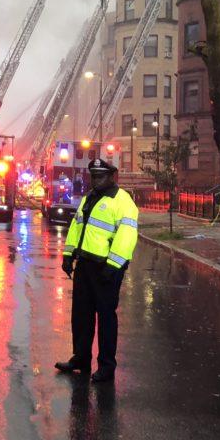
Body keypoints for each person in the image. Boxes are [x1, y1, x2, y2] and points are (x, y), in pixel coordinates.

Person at [55, 158, 139, 382]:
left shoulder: (123, 201)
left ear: (112, 176)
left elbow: (127, 236)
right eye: (93, 176)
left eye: (100, 176)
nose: (95, 180)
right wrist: (68, 254)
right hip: (85, 265)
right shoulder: (89, 198)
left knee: (106, 318)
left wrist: (112, 266)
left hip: (106, 268)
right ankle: (81, 358)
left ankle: (107, 366)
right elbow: (76, 227)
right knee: (81, 315)